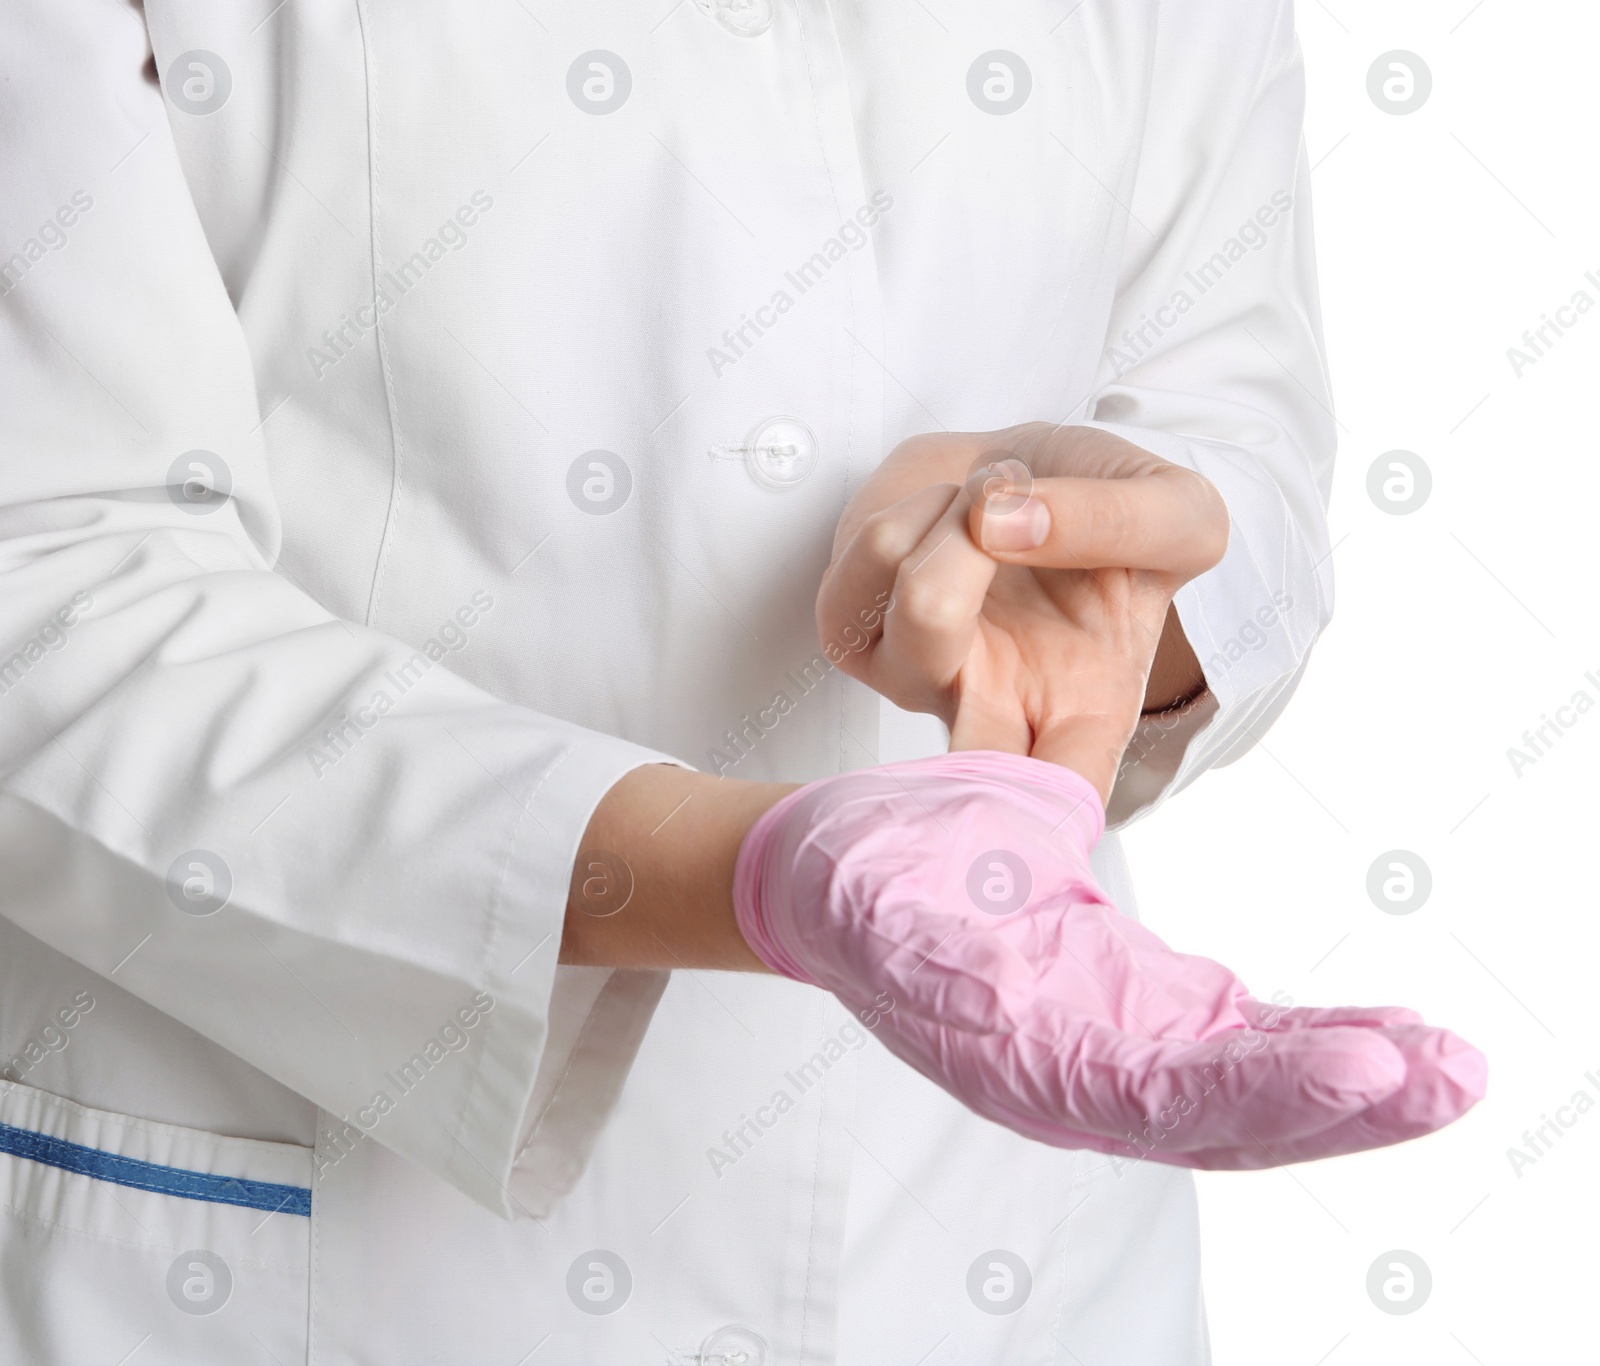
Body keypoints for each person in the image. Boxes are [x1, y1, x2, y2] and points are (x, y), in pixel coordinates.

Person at [0, 2, 1481, 1363]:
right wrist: (763, 875)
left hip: (993, 1260)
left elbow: (1240, 419)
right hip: (324, 1250)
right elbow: (48, 563)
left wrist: (1116, 586)